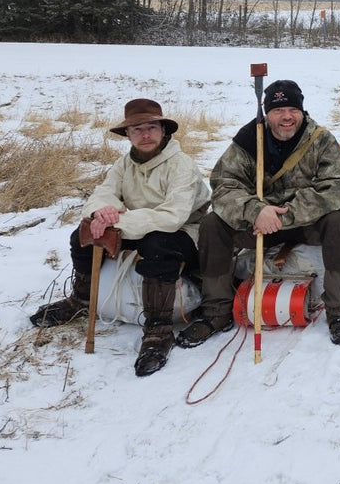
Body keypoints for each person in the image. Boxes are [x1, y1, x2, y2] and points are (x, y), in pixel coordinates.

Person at [29, 99, 211, 376]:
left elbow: (173, 216)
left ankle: (158, 329)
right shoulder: (124, 164)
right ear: (127, 134)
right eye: (137, 129)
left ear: (164, 130)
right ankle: (82, 299)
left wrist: (119, 221)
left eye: (151, 127)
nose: (145, 135)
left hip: (185, 232)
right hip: (135, 225)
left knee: (157, 245)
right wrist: (99, 214)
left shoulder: (181, 165)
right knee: (84, 234)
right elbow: (103, 193)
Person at [176, 80, 340, 347]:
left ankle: (338, 311)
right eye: (278, 110)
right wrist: (255, 210)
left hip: (305, 221)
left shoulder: (319, 140)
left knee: (339, 220)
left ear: (302, 111)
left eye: (293, 109)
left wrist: (285, 215)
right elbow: (224, 186)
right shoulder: (249, 141)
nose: (287, 117)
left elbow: (339, 185)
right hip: (259, 223)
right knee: (214, 224)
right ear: (266, 112)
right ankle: (216, 311)